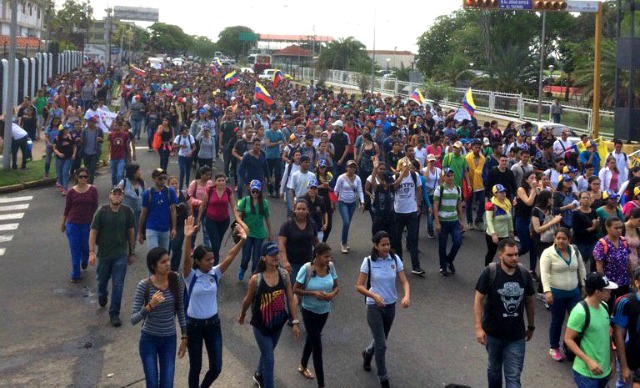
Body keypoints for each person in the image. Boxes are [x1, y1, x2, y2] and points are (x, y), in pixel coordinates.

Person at [182, 216, 247, 388]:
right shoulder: (190, 276)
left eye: (212, 259)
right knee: (195, 367)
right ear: (197, 261)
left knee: (216, 368)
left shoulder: (215, 273)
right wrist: (188, 237)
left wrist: (242, 241)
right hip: (193, 326)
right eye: (207, 260)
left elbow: (230, 256)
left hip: (213, 325)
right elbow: (186, 261)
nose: (212, 262)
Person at [474, 238, 536, 388]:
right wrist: (478, 328)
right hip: (493, 334)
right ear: (500, 255)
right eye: (510, 255)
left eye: (516, 254)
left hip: (516, 336)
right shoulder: (490, 272)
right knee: (494, 371)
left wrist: (531, 326)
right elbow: (478, 299)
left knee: (513, 377)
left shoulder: (523, 274)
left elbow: (530, 300)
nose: (514, 258)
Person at [238, 241, 300, 388]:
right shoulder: (256, 279)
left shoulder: (284, 275)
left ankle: (259, 374)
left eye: (276, 253)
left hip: (278, 324)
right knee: (270, 359)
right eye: (271, 254)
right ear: (264, 258)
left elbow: (290, 299)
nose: (275, 256)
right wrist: (242, 315)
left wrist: (295, 321)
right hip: (261, 326)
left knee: (268, 353)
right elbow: (247, 300)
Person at [356, 231, 410, 388]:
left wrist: (406, 296)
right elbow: (358, 286)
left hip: (390, 306)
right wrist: (373, 296)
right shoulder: (368, 261)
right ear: (376, 245)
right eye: (383, 245)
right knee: (382, 344)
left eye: (388, 244)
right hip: (374, 307)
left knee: (381, 339)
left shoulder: (395, 259)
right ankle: (383, 377)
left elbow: (404, 281)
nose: (386, 247)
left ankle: (367, 353)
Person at [130, 247, 187, 388]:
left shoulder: (176, 279)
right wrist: (150, 306)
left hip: (169, 339)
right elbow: (133, 319)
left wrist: (185, 337)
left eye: (168, 260)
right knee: (152, 383)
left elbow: (180, 309)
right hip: (149, 339)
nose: (167, 264)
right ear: (153, 266)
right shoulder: (144, 285)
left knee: (167, 383)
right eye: (163, 262)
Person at [293, 243, 339, 388]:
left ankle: (302, 365)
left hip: (324, 311)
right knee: (317, 347)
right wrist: (312, 293)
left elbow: (337, 286)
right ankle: (321, 384)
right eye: (326, 256)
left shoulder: (330, 267)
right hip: (308, 311)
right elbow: (296, 289)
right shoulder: (306, 269)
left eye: (329, 256)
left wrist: (332, 294)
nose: (328, 259)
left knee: (312, 338)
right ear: (317, 255)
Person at [89, 186, 135, 327]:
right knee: (102, 281)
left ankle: (114, 313)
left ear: (122, 197)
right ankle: (102, 295)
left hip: (120, 255)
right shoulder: (101, 212)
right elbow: (93, 232)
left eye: (119, 194)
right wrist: (91, 252)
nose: (116, 196)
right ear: (109, 196)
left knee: (118, 285)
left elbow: (131, 232)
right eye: (114, 194)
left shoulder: (128, 212)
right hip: (104, 255)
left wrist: (131, 252)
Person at [540, 228, 587, 362]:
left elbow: (582, 268)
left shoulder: (575, 250)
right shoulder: (548, 253)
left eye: (564, 238)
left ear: (569, 240)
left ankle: (572, 346)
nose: (561, 241)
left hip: (574, 293)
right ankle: (554, 347)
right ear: (554, 239)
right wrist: (547, 291)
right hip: (556, 294)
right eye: (558, 238)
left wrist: (584, 285)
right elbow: (543, 273)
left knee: (578, 321)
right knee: (557, 321)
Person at [564, 272, 617, 387]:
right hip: (586, 374)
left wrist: (612, 361)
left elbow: (606, 336)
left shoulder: (604, 306)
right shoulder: (580, 312)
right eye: (607, 289)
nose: (610, 292)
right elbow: (568, 339)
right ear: (597, 292)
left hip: (604, 371)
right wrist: (588, 361)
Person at [197, 173, 246, 264]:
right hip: (211, 220)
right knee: (215, 243)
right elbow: (203, 205)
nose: (221, 182)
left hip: (224, 221)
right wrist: (198, 220)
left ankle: (210, 258)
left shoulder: (228, 191)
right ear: (215, 182)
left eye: (223, 180)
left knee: (218, 242)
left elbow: (233, 206)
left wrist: (238, 218)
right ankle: (215, 264)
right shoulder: (210, 190)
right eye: (219, 180)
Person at [61, 167, 99, 283]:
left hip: (87, 224)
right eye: (80, 176)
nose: (83, 179)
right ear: (77, 178)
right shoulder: (71, 192)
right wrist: (63, 223)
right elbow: (67, 209)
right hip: (73, 224)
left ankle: (85, 259)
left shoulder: (93, 190)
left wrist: (95, 221)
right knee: (75, 248)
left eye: (85, 176)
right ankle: (75, 273)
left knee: (86, 247)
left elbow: (95, 206)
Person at [391, 157, 425, 276]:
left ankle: (416, 266)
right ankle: (399, 263)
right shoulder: (395, 176)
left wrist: (418, 204)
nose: (408, 167)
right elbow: (393, 188)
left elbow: (419, 190)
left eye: (409, 165)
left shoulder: (414, 176)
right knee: (397, 238)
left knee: (413, 239)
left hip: (411, 211)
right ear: (400, 166)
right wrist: (401, 176)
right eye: (405, 165)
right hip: (399, 211)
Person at [594, 217, 633, 311]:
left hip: (624, 282)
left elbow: (628, 260)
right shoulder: (601, 244)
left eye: (621, 227)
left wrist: (631, 277)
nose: (619, 230)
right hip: (610, 284)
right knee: (608, 308)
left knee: (624, 308)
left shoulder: (623, 241)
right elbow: (599, 267)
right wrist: (604, 285)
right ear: (607, 228)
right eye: (616, 228)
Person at [237, 180, 272, 280]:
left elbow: (267, 219)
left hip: (259, 234)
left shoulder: (264, 203)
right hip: (247, 234)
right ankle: (242, 268)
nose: (255, 193)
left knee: (256, 258)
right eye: (253, 191)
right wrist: (243, 225)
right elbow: (238, 217)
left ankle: (253, 277)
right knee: (245, 257)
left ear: (260, 191)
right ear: (250, 190)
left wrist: (270, 233)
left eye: (257, 191)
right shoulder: (245, 201)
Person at [279, 198, 319, 286]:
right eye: (298, 209)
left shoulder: (312, 223)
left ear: (308, 211)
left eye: (303, 209)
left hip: (308, 262)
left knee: (307, 286)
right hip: (292, 263)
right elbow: (281, 244)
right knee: (294, 287)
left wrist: (320, 256)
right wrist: (285, 261)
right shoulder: (287, 225)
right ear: (294, 210)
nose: (301, 211)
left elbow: (316, 242)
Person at [434, 167, 464, 276]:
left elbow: (459, 205)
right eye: (448, 175)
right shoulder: (439, 189)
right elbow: (435, 207)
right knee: (442, 245)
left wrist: (461, 220)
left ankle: (449, 260)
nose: (450, 177)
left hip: (454, 220)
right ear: (444, 177)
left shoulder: (458, 189)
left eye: (451, 175)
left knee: (458, 242)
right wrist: (437, 222)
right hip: (443, 221)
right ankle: (443, 266)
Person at [612, 268, 640, 386]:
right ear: (637, 283)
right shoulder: (626, 303)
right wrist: (623, 366)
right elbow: (618, 335)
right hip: (630, 358)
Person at [139, 168, 178, 251]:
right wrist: (140, 232)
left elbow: (173, 211)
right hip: (151, 228)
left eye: (164, 178)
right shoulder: (148, 194)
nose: (163, 180)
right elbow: (143, 213)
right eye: (160, 178)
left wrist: (174, 228)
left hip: (165, 229)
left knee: (164, 255)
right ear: (154, 179)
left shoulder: (170, 192)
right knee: (154, 254)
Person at [334, 160, 364, 253]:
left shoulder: (357, 178)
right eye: (350, 167)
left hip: (352, 203)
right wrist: (333, 202)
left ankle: (344, 241)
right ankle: (343, 243)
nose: (351, 169)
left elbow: (360, 190)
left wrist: (362, 201)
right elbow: (336, 190)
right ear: (346, 168)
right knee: (346, 222)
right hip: (342, 202)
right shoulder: (341, 178)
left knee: (348, 223)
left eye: (353, 167)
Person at [484, 184, 514, 266]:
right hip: (493, 235)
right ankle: (487, 270)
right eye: (501, 192)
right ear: (495, 194)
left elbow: (510, 218)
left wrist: (511, 231)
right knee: (491, 253)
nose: (503, 194)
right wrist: (493, 234)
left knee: (505, 254)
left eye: (504, 191)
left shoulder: (507, 203)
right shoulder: (491, 205)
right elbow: (489, 221)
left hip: (505, 235)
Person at [572, 191, 600, 271]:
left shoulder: (594, 211)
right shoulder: (576, 213)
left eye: (587, 198)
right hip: (580, 242)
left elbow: (597, 229)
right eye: (583, 198)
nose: (586, 200)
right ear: (579, 200)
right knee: (580, 263)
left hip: (592, 241)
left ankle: (593, 279)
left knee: (594, 262)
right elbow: (577, 231)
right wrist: (593, 227)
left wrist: (597, 225)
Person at [168, 176, 191, 272]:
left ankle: (174, 269)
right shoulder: (166, 194)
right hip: (168, 225)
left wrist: (191, 220)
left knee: (177, 247)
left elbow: (189, 207)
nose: (174, 185)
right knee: (166, 247)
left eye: (176, 183)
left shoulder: (184, 194)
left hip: (181, 225)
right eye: (172, 184)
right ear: (168, 185)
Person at [187, 166, 213, 247]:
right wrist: (200, 202)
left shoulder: (210, 183)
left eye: (210, 174)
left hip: (207, 211)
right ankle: (191, 247)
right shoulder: (194, 183)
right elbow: (189, 197)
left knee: (207, 231)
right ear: (201, 174)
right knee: (194, 230)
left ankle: (207, 248)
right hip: (195, 210)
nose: (209, 176)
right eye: (207, 174)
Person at [119, 163, 145, 245]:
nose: (140, 172)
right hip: (126, 211)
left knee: (135, 229)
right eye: (138, 170)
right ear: (133, 173)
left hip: (138, 211)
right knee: (125, 229)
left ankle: (132, 248)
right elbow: (116, 193)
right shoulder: (124, 182)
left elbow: (144, 195)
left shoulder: (142, 183)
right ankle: (125, 246)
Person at [466, 140, 486, 230]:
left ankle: (478, 220)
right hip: (469, 182)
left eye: (479, 147)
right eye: (476, 147)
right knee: (469, 203)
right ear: (472, 147)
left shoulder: (483, 158)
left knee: (482, 202)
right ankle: (469, 221)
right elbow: (465, 170)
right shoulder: (467, 157)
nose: (478, 149)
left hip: (480, 183)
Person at [315, 160, 334, 243]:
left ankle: (323, 241)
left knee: (329, 226)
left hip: (327, 201)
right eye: (320, 167)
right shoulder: (314, 176)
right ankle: (317, 243)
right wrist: (321, 186)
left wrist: (333, 202)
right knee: (318, 224)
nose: (322, 169)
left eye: (323, 167)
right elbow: (311, 188)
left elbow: (332, 190)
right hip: (317, 201)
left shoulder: (329, 176)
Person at [173, 124, 197, 191]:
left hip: (189, 157)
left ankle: (187, 185)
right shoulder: (179, 137)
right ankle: (180, 187)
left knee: (188, 171)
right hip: (181, 156)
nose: (186, 131)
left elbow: (194, 147)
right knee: (182, 171)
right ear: (182, 131)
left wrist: (191, 152)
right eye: (185, 130)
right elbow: (173, 146)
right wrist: (180, 146)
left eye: (187, 129)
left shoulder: (190, 137)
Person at [53, 125, 75, 196]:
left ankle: (66, 189)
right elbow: (54, 148)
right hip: (59, 158)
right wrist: (59, 154)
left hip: (68, 158)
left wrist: (74, 154)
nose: (67, 131)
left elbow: (75, 146)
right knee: (59, 173)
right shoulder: (57, 138)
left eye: (68, 129)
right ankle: (62, 185)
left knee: (65, 173)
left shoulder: (70, 137)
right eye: (65, 129)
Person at [107, 121, 129, 187]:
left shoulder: (125, 135)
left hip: (121, 157)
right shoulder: (111, 135)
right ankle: (114, 185)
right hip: (113, 157)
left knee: (120, 173)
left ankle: (120, 187)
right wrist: (109, 154)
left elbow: (127, 145)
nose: (115, 127)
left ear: (120, 126)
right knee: (113, 173)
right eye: (114, 125)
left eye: (116, 125)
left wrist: (130, 156)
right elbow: (108, 145)